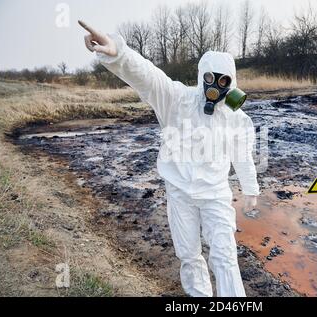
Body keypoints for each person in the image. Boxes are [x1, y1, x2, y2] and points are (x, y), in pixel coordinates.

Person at [79, 20, 259, 297]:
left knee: (224, 256)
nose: (216, 86)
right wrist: (119, 53)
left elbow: (243, 156)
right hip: (180, 193)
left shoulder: (237, 118)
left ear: (232, 82)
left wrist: (250, 190)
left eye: (224, 80)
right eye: (210, 78)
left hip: (216, 195)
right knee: (189, 254)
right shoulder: (177, 100)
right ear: (201, 76)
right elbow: (149, 77)